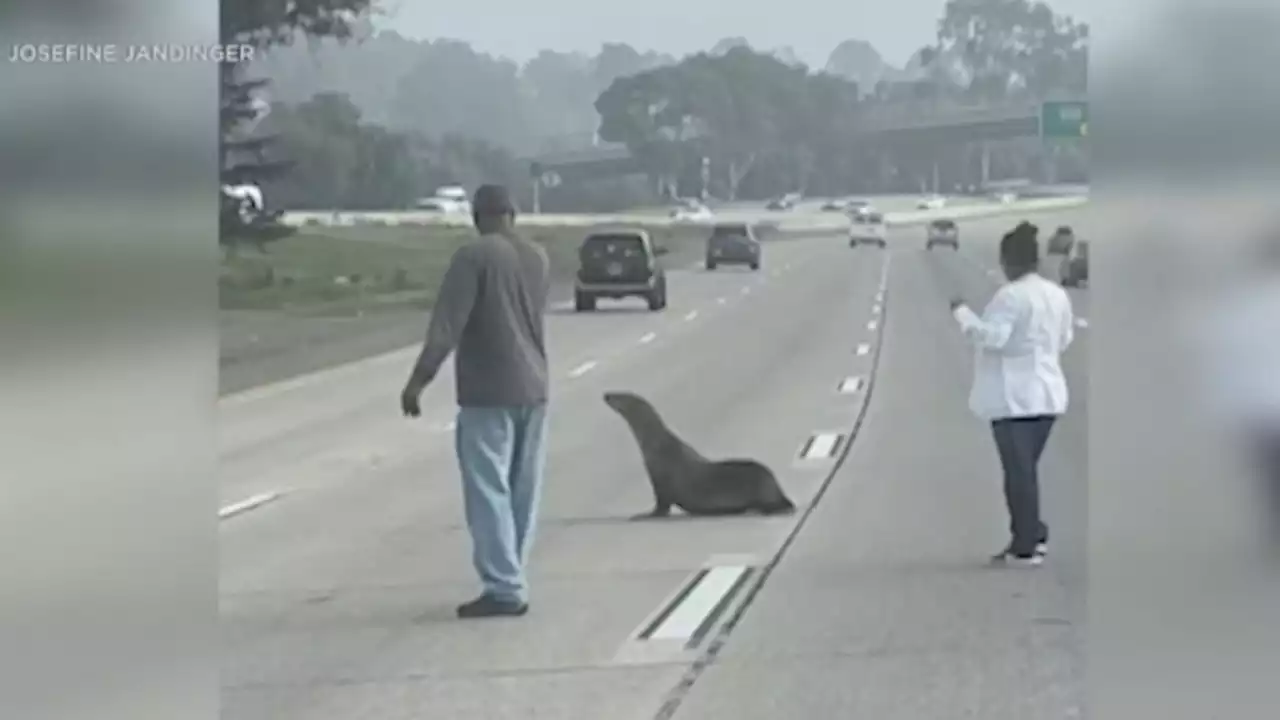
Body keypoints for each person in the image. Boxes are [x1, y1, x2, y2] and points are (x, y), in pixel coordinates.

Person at [400, 184, 551, 618]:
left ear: (475, 215)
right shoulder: (537, 257)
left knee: (488, 490)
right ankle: (512, 574)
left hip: (489, 389)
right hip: (535, 386)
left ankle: (504, 587)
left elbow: (446, 326)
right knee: (522, 491)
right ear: (514, 213)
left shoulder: (473, 257)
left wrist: (418, 381)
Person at [950, 221, 1074, 567]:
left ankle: (1026, 545)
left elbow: (993, 338)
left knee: (1018, 474)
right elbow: (1064, 340)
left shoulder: (1010, 296)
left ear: (1009, 261)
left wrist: (962, 314)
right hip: (1048, 394)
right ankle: (1032, 532)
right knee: (1024, 471)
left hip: (1013, 398)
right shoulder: (1056, 294)